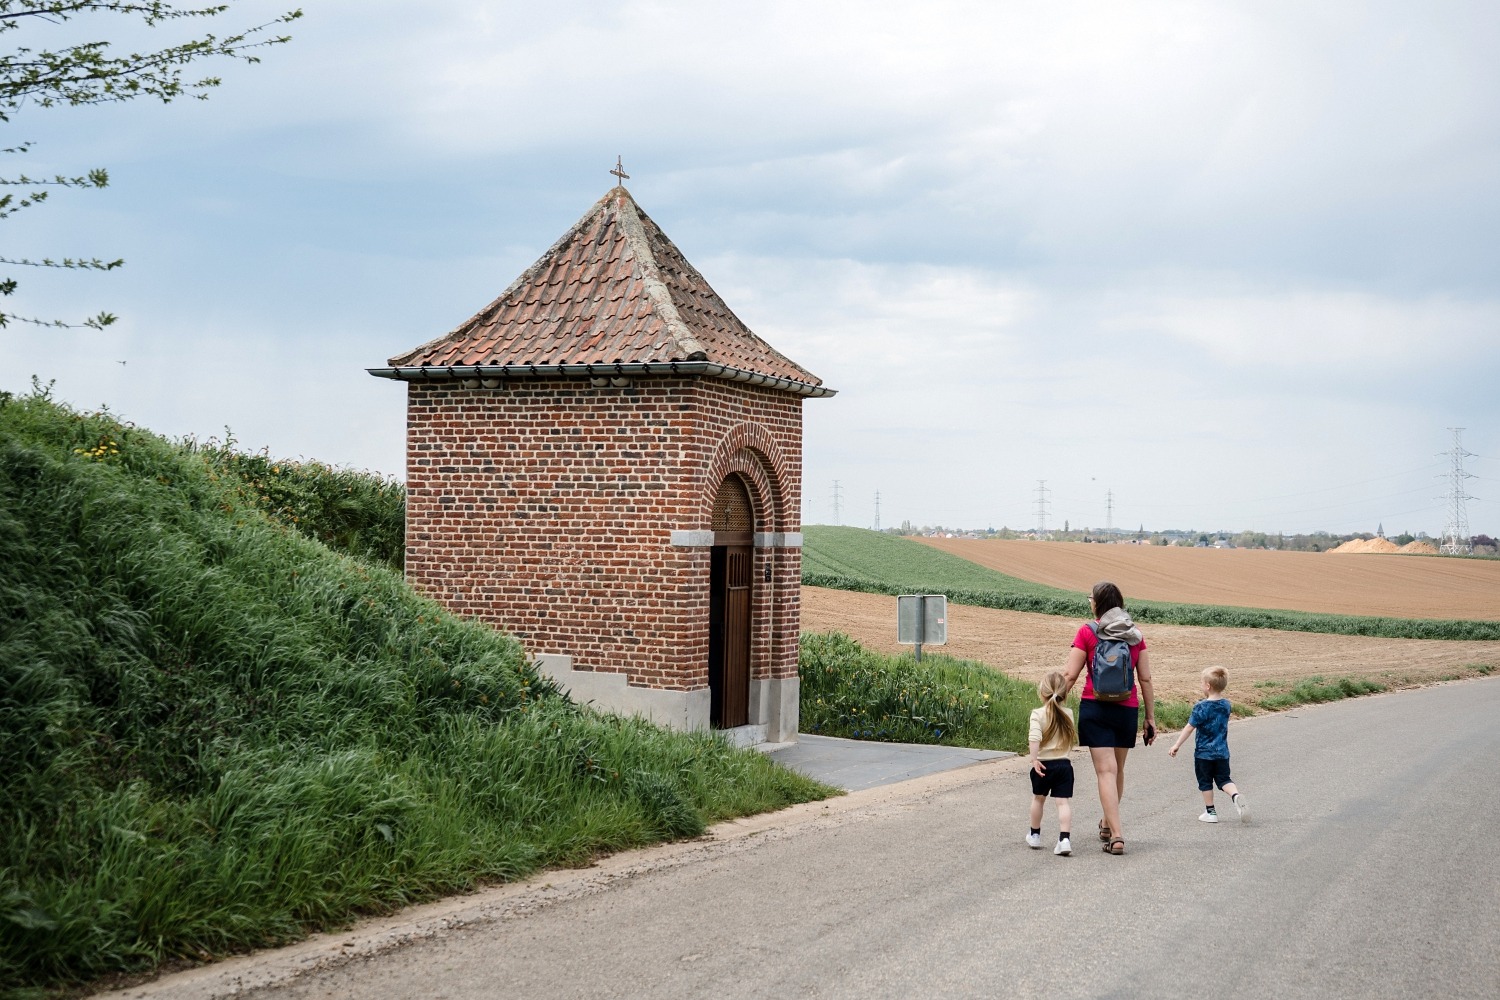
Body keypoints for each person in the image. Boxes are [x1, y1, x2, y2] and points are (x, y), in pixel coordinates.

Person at [1061, 581, 1155, 855]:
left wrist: (1054, 705)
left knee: (1105, 771)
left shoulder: (1088, 631)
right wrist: (1150, 717)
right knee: (1118, 770)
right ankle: (1106, 824)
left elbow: (1070, 675)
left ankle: (1117, 835)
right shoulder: (1135, 634)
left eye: (1090, 598)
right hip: (1127, 709)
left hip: (1096, 707)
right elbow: (1145, 678)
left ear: (1097, 603)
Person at [1167, 666, 1249, 823]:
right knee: (1224, 779)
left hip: (1204, 754)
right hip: (1222, 752)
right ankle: (1236, 796)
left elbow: (1189, 728)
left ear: (1208, 686)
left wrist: (1176, 745)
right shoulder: (1226, 705)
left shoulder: (1201, 707)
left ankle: (1210, 812)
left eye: (1202, 682)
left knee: (1205, 782)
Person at [1026, 671, 1078, 856]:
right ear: (1065, 694)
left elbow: (1034, 738)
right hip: (1064, 765)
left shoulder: (1037, 714)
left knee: (1038, 799)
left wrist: (1034, 760)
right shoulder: (1069, 714)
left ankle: (1035, 834)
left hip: (1043, 765)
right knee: (1062, 803)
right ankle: (1064, 839)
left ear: (1042, 693)